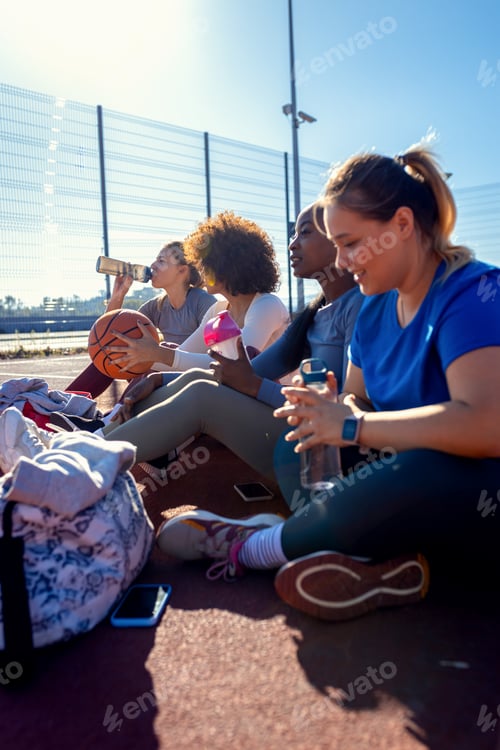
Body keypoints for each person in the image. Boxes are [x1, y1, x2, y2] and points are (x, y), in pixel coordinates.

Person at [155, 145, 500, 621]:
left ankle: (255, 545)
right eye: (336, 244)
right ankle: (370, 561)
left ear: (402, 225)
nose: (341, 259)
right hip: (409, 496)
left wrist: (353, 427)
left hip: (478, 495)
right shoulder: (375, 306)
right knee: (295, 448)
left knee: (425, 468)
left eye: (351, 242)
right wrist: (328, 415)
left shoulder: (473, 291)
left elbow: (486, 425)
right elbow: (360, 398)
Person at [93, 202, 361, 486]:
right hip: (298, 428)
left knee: (201, 395)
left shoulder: (353, 307)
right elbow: (241, 372)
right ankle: (97, 438)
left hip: (325, 457)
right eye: (293, 235)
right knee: (196, 379)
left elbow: (345, 410)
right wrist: (159, 377)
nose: (292, 245)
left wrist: (253, 385)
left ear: (340, 238)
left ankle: (84, 460)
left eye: (304, 233)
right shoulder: (313, 315)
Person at [106, 211, 290, 375]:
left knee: (194, 385)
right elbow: (182, 357)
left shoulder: (267, 305)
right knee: (159, 380)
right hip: (238, 397)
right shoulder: (217, 311)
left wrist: (158, 354)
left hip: (275, 404)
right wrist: (137, 354)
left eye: (206, 263)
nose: (200, 269)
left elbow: (236, 364)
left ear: (228, 266)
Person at [65, 241, 217, 398]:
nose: (153, 265)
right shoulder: (157, 305)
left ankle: (116, 416)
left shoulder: (203, 302)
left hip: (191, 377)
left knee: (154, 351)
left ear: (182, 271)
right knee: (111, 347)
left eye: (161, 261)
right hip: (162, 369)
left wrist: (157, 353)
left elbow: (212, 354)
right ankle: (65, 402)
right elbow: (112, 332)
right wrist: (118, 295)